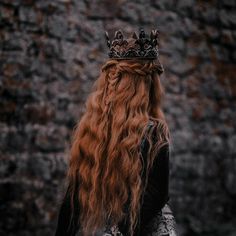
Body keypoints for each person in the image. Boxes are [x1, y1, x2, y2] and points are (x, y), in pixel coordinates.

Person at [54, 28, 174, 236]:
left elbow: (72, 202)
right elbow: (157, 195)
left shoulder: (91, 130)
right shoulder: (154, 131)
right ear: (146, 85)